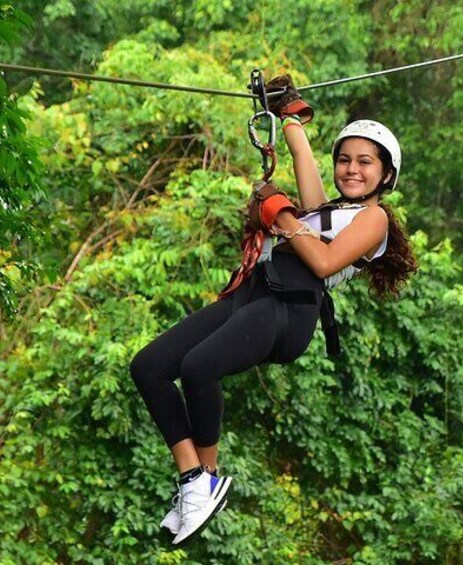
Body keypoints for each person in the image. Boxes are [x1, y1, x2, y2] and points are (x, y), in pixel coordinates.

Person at [129, 75, 417, 545]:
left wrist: (281, 215)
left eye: (365, 163)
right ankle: (195, 481)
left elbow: (323, 262)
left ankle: (208, 476)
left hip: (291, 309)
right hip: (254, 293)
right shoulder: (325, 211)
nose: (351, 169)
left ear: (385, 175)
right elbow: (305, 165)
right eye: (344, 160)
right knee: (150, 367)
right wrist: (287, 116)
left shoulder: (373, 218)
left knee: (199, 367)